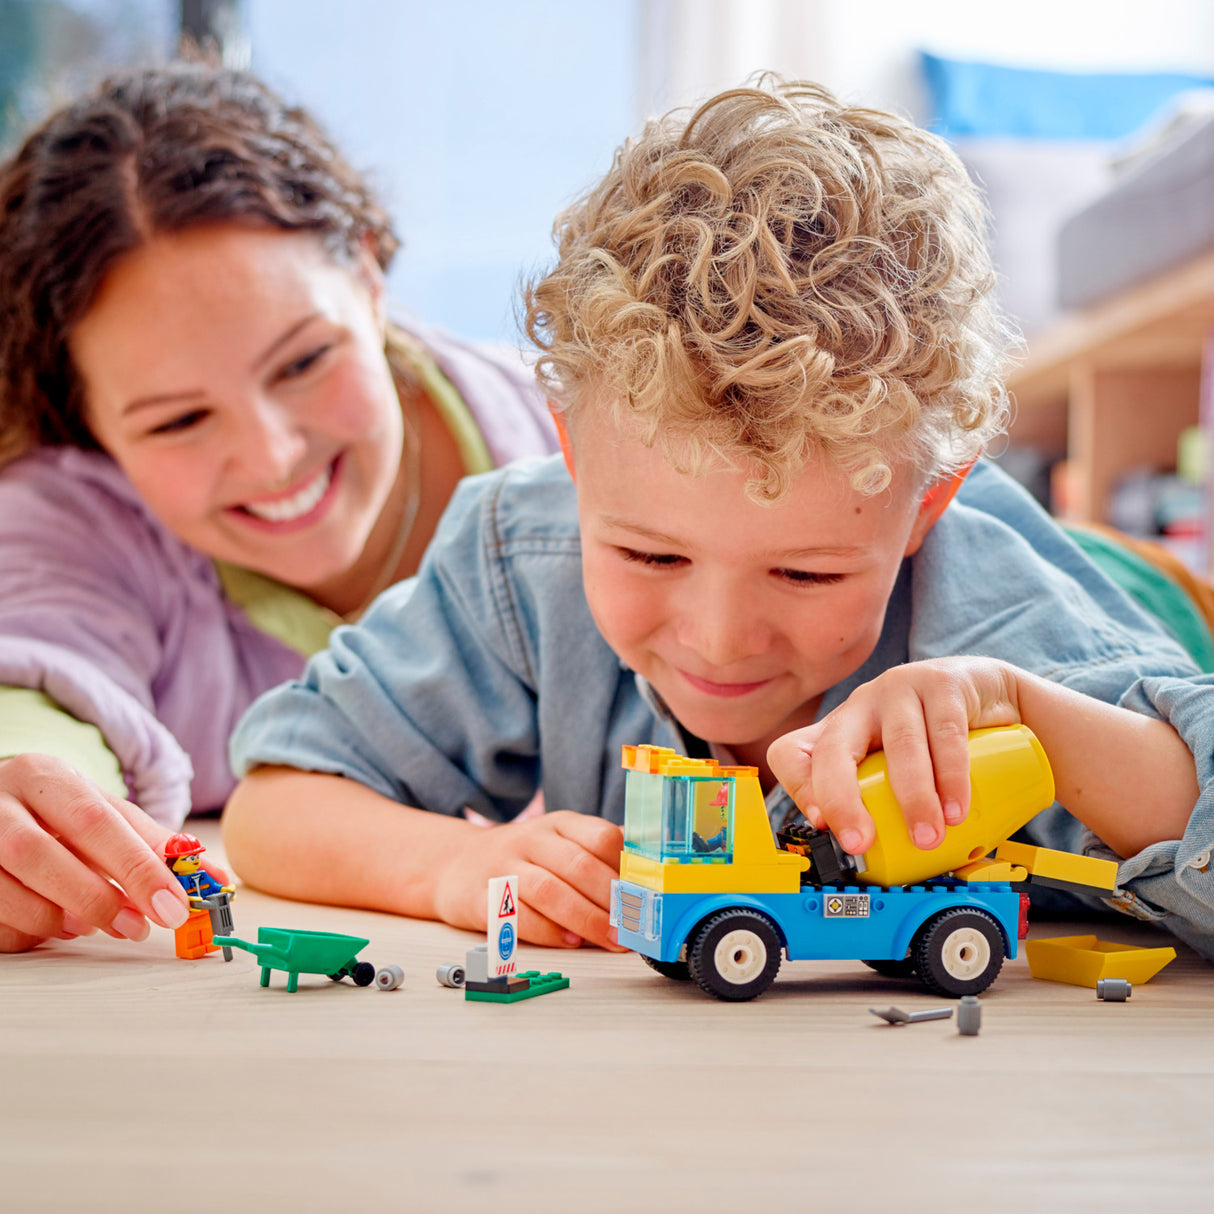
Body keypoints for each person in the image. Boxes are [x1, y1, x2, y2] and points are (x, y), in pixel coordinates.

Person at [225, 78, 1214, 962]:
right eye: (650, 552)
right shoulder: (519, 549)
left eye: (804, 574)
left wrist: (1030, 709)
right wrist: (448, 862)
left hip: (1140, 598)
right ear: (570, 453)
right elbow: (277, 800)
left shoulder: (1007, 639)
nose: (718, 637)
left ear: (921, 506)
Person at [0, 62, 556, 953]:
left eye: (302, 363)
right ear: (92, 425)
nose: (272, 456)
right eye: (179, 419)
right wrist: (19, 787)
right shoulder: (73, 519)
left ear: (371, 276)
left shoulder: (586, 436)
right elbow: (37, 670)